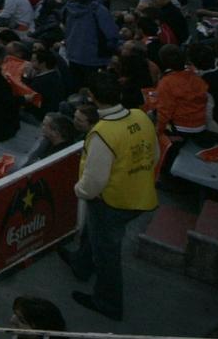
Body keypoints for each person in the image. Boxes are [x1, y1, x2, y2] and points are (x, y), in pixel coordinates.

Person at [60, 71, 158, 321]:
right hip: (141, 192)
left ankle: (108, 302)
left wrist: (79, 191)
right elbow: (154, 153)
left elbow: (94, 181)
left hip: (112, 201)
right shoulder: (140, 115)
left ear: (92, 97)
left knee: (107, 254)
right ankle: (81, 264)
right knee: (98, 235)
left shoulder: (102, 132)